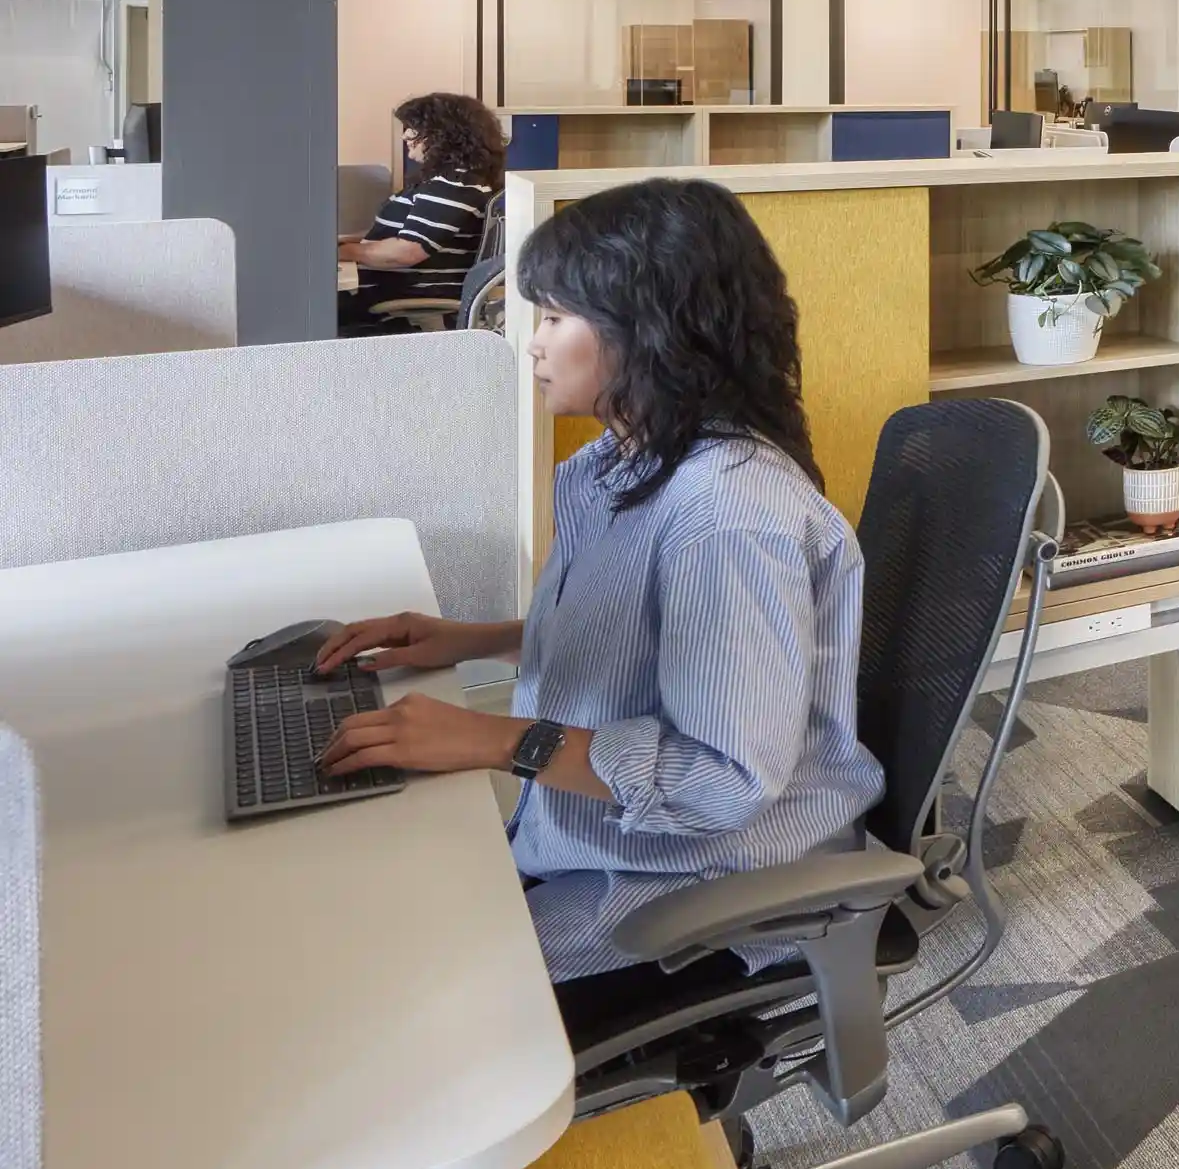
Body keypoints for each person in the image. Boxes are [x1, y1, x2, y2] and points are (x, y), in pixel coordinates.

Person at [310, 177, 886, 1001]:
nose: (532, 344)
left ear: (647, 332)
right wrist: (470, 639)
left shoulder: (726, 518)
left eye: (553, 317)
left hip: (703, 880)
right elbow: (642, 630)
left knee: (396, 989)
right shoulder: (628, 460)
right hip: (603, 834)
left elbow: (720, 781)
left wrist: (494, 740)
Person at [337, 90, 506, 333]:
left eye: (414, 127)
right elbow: (404, 235)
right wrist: (347, 243)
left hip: (397, 305)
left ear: (445, 134)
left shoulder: (454, 186)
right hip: (388, 295)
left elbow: (406, 252)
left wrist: (341, 252)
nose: (405, 135)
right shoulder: (445, 183)